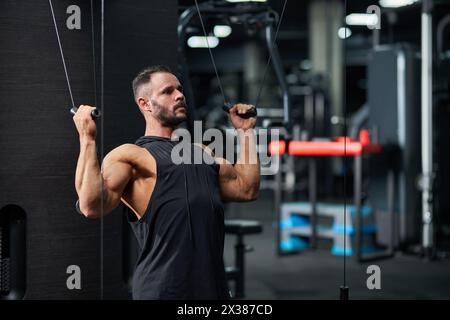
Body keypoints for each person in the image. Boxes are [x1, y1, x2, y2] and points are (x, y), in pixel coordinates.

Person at [72, 65, 260, 299]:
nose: (180, 95)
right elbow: (91, 205)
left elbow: (247, 189)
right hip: (162, 291)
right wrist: (87, 138)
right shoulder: (131, 155)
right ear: (145, 104)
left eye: (180, 89)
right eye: (168, 91)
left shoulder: (200, 152)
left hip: (213, 290)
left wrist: (246, 132)